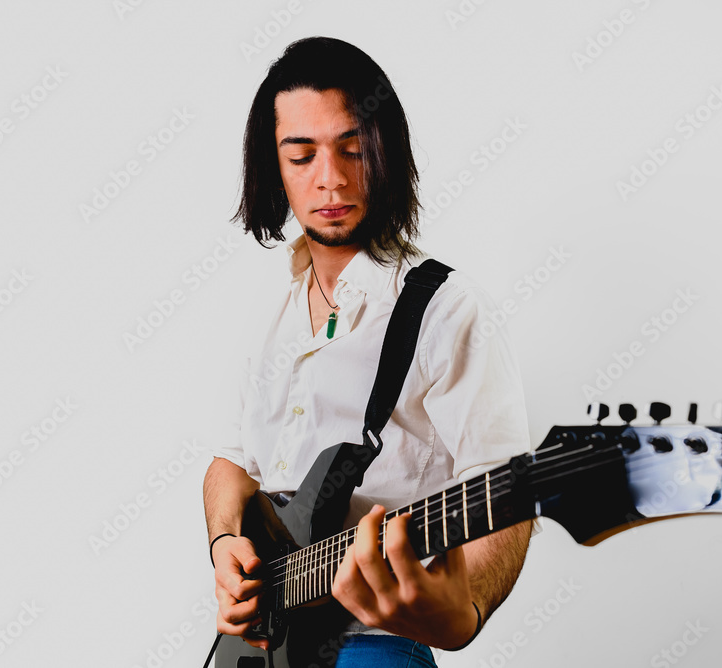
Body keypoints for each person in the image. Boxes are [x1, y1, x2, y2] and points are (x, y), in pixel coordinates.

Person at [203, 36, 533, 667]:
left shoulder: (446, 309)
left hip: (375, 645)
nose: (330, 178)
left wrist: (464, 613)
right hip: (261, 648)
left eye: (352, 149)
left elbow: (505, 491)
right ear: (272, 168)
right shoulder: (269, 314)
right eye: (300, 156)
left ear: (386, 154)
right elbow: (231, 462)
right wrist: (225, 543)